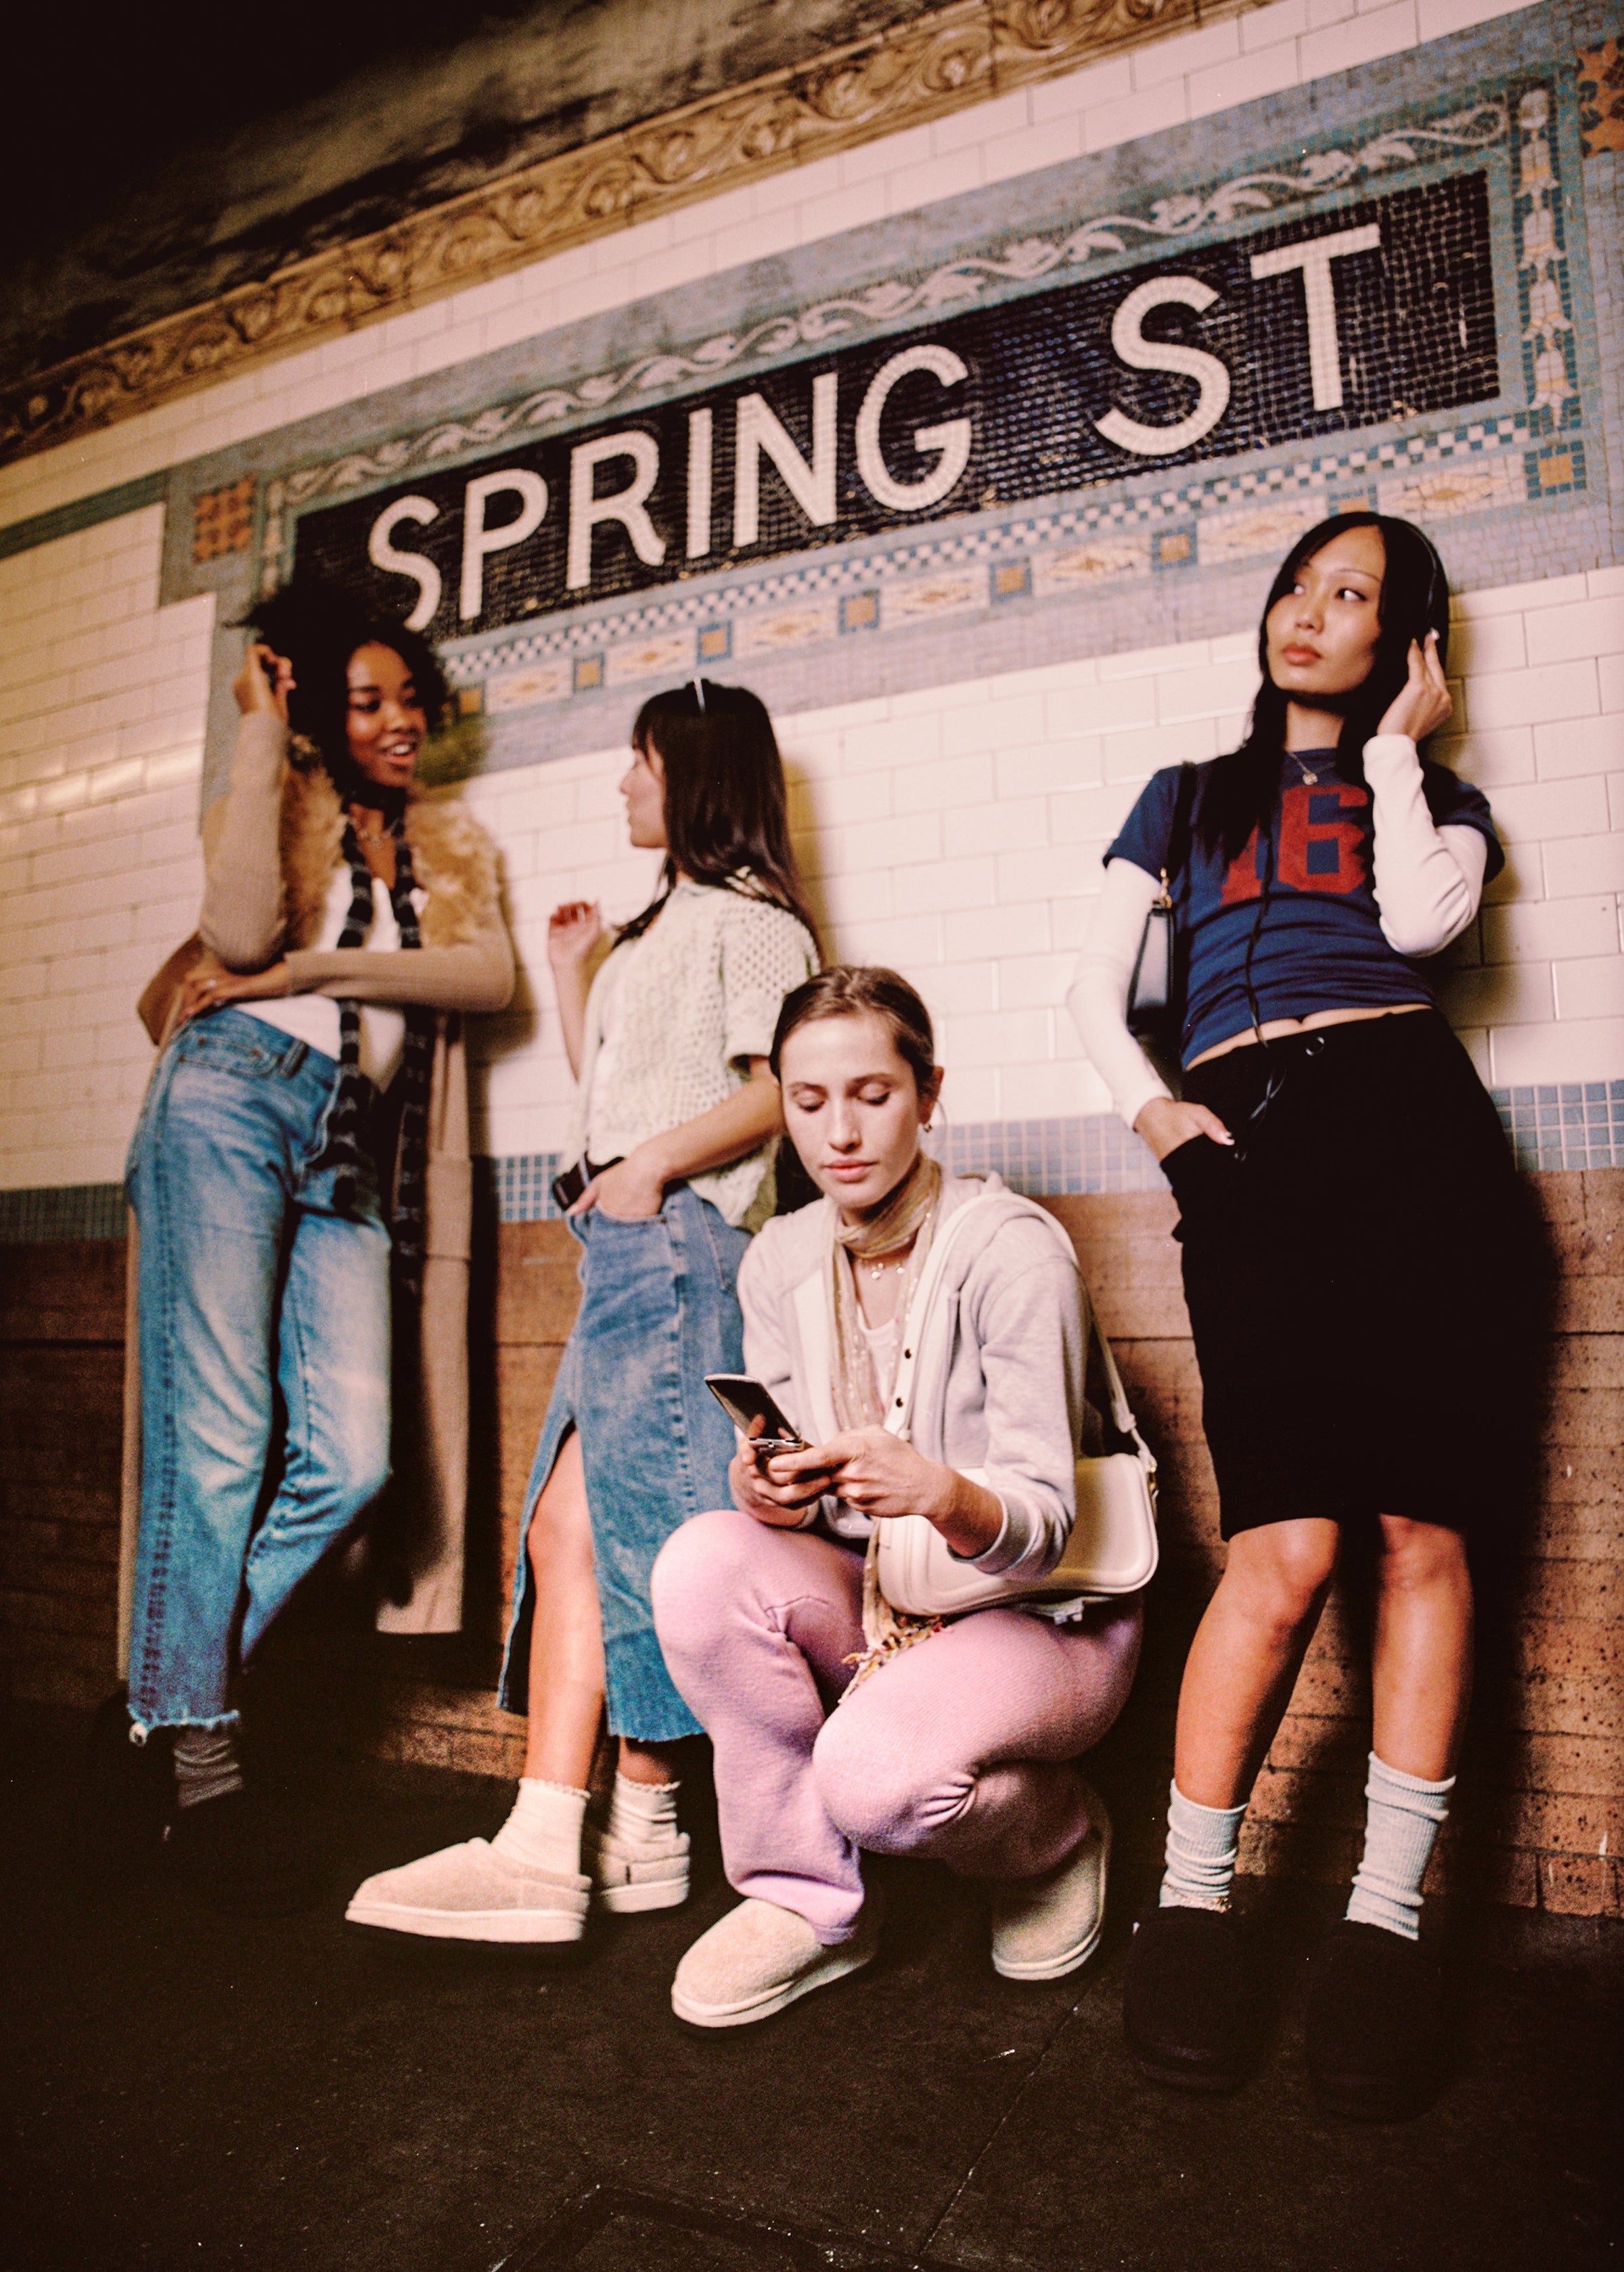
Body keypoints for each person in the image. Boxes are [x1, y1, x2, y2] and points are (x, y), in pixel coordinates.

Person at [1067, 511, 1533, 2117]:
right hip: (1248, 1144)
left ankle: (1387, 1927)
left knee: (1422, 1532)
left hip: (1414, 1138)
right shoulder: (1189, 797)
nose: (1309, 614)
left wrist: (1403, 751)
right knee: (1287, 1548)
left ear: (1408, 644)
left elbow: (1421, 930)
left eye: (1356, 596)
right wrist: (1158, 1114)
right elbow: (1091, 985)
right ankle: (1193, 1903)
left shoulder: (1439, 802)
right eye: (1298, 585)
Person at [347, 679, 819, 1943]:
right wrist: (574, 975)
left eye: (642, 764)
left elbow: (787, 1085)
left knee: (637, 1523)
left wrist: (657, 1170)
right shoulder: (651, 931)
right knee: (569, 1528)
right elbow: (614, 1099)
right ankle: (589, 1834)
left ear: (700, 779)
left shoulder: (754, 919)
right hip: (622, 1241)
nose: (623, 784)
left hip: (681, 1241)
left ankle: (616, 1823)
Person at [113, 581, 514, 1911]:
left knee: (353, 1459)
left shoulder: (451, 848)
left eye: (411, 698)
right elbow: (231, 934)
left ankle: (172, 1691)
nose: (400, 720)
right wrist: (254, 737)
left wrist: (309, 975)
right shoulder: (273, 795)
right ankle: (203, 1771)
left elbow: (488, 977)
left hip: (346, 1138)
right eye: (368, 700)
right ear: (312, 706)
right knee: (219, 1444)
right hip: (227, 1094)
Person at [648, 966, 1144, 2026]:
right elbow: (823, 1507)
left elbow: (1050, 1524)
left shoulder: (1012, 1248)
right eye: (808, 1099)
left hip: (1042, 1617)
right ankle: (809, 1901)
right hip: (889, 1605)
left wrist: (939, 1491)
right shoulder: (779, 1257)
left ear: (929, 1091)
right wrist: (772, 1489)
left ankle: (1055, 1835)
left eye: (872, 1093)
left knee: (870, 1777)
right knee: (699, 1563)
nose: (840, 1132)